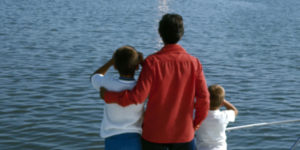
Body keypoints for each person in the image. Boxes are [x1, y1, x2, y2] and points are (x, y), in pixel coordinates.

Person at [100, 13, 210, 150]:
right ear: (181, 34)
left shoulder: (152, 63)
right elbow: (204, 100)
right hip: (184, 135)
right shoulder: (194, 63)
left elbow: (137, 97)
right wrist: (195, 124)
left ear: (160, 33)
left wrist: (108, 96)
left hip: (154, 136)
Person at [90, 45, 144, 150]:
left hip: (112, 139)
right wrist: (142, 63)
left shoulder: (107, 83)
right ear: (137, 66)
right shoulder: (142, 87)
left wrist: (110, 62)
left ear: (115, 66)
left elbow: (94, 76)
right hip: (135, 139)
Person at [195, 84, 238, 150]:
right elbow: (235, 111)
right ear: (221, 103)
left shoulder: (198, 116)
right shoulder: (224, 116)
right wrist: (223, 101)